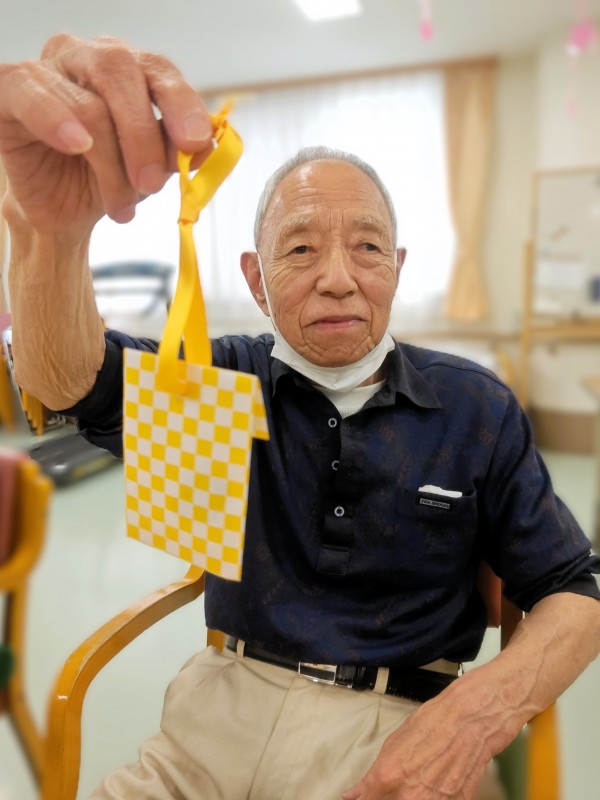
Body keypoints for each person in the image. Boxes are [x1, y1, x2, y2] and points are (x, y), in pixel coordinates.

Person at [1, 35, 600, 800]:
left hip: (400, 724)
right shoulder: (222, 379)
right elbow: (68, 380)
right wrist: (53, 237)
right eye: (302, 249)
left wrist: (477, 714)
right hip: (214, 719)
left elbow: (574, 589)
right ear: (255, 280)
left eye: (368, 247)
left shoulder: (474, 405)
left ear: (398, 269)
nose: (338, 279)